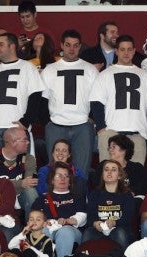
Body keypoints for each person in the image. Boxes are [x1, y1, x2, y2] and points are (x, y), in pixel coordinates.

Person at [89, 35, 147, 165]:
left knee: (135, 177)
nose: (126, 53)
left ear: (134, 51)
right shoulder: (105, 75)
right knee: (109, 175)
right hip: (110, 132)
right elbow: (96, 102)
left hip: (137, 134)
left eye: (129, 49)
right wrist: (101, 127)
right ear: (116, 51)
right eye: (122, 49)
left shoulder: (145, 76)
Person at [41, 29, 98, 176]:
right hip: (56, 125)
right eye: (68, 45)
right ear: (61, 45)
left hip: (83, 126)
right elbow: (42, 99)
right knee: (55, 171)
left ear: (80, 46)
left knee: (81, 173)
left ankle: (80, 199)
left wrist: (93, 118)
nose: (71, 49)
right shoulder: (50, 70)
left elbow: (97, 98)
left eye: (75, 45)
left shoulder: (90, 69)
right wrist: (47, 121)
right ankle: (55, 199)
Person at [0, 32, 44, 153]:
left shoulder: (28, 67)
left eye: (1, 45)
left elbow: (35, 96)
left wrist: (26, 121)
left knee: (19, 169)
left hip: (16, 128)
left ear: (12, 46)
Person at [31, 161, 87, 257]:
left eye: (66, 176)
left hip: (71, 231)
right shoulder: (42, 199)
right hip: (49, 228)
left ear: (70, 181)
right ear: (52, 180)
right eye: (59, 175)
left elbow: (82, 217)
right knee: (44, 232)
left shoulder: (77, 197)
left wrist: (69, 221)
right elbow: (33, 218)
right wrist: (44, 222)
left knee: (65, 231)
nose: (63, 178)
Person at [83, 160, 135, 249]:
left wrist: (114, 222)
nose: (109, 172)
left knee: (120, 233)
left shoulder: (127, 195)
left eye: (113, 170)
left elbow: (128, 218)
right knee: (88, 233)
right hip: (99, 230)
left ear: (119, 175)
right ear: (103, 175)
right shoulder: (95, 194)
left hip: (119, 228)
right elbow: (90, 218)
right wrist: (95, 223)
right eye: (106, 170)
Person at [0, 128, 38, 221]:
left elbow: (30, 183)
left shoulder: (29, 158)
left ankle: (31, 227)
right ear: (13, 142)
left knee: (31, 192)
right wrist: (21, 183)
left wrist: (5, 184)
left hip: (20, 197)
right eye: (24, 140)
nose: (28, 142)